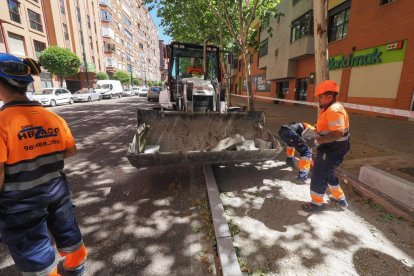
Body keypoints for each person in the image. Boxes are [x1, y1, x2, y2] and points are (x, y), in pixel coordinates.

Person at [0, 53, 87, 275]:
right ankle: (76, 268)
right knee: (69, 235)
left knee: (36, 254)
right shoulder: (53, 118)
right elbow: (70, 150)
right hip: (57, 191)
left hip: (21, 203)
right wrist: (40, 147)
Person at [302, 80, 350, 212]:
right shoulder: (329, 108)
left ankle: (316, 203)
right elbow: (328, 128)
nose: (318, 99)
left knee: (319, 173)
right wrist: (315, 130)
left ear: (330, 97)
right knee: (328, 172)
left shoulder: (334, 110)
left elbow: (338, 133)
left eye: (320, 97)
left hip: (333, 148)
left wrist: (318, 141)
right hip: (333, 146)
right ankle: (340, 199)